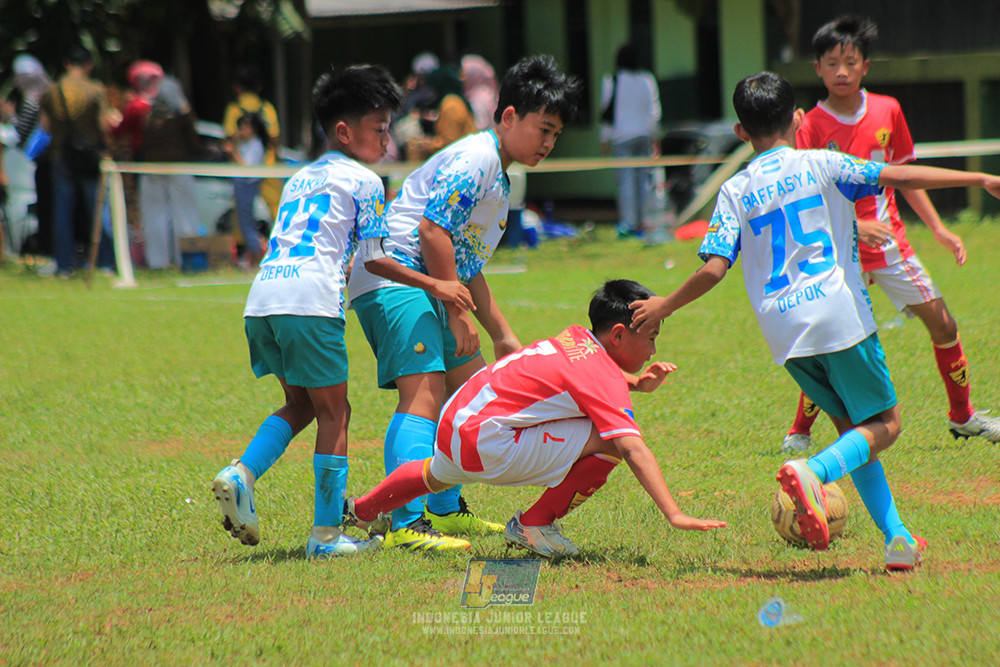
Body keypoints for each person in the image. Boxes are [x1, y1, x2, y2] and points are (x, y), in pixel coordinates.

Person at [630, 71, 1000, 571]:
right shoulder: (822, 162)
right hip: (837, 315)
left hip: (784, 332)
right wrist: (978, 178)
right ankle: (816, 471)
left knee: (855, 430)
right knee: (886, 425)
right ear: (799, 119)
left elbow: (715, 267)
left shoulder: (735, 188)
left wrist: (664, 305)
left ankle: (897, 540)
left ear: (742, 132)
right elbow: (901, 176)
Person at [210, 64, 474, 560]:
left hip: (263, 301)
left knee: (304, 405)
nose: (388, 140)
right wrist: (438, 283)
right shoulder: (365, 180)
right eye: (379, 129)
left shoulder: (298, 178)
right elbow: (374, 259)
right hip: (311, 305)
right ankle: (326, 536)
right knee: (337, 413)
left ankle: (240, 473)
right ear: (344, 132)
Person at [347, 54, 582, 551]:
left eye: (556, 134)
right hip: (397, 279)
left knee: (470, 390)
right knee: (424, 394)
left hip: (431, 281)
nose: (548, 142)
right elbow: (432, 230)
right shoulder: (479, 158)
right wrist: (457, 314)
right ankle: (406, 524)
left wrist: (502, 334)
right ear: (509, 116)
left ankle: (446, 511)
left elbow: (467, 261)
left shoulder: (501, 174)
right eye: (543, 128)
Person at [344, 280, 727, 557]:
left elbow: (578, 376)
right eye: (652, 337)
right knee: (610, 440)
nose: (653, 349)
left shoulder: (576, 337)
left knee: (434, 473)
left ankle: (360, 512)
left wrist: (635, 382)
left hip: (457, 422)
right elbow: (633, 448)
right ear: (619, 335)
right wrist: (674, 513)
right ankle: (534, 524)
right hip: (487, 442)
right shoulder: (603, 376)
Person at [779, 15, 1000, 454]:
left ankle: (963, 417)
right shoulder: (810, 127)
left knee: (943, 323)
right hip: (838, 248)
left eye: (850, 61)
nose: (841, 71)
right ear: (817, 70)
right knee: (829, 339)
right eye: (831, 62)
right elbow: (803, 192)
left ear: (865, 66)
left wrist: (938, 228)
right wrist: (855, 226)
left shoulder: (888, 110)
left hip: (891, 244)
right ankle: (799, 430)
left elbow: (905, 176)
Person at [38, 45, 115, 277]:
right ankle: (105, 263)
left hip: (61, 156)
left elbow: (45, 127)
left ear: (66, 64)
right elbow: (103, 125)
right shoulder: (95, 89)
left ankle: (63, 265)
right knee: (99, 210)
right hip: (90, 158)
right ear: (89, 65)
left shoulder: (51, 90)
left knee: (62, 212)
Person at [599, 43, 662, 238]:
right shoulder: (647, 79)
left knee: (626, 182)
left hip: (622, 137)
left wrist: (604, 139)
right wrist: (655, 138)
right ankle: (645, 221)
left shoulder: (612, 80)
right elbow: (655, 111)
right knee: (643, 180)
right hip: (643, 135)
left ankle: (628, 224)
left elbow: (606, 112)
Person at [139, 76, 201, 269]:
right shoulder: (182, 119)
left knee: (155, 216)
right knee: (185, 215)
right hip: (179, 168)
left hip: (152, 170)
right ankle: (187, 258)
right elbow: (194, 142)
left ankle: (158, 262)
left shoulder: (150, 117)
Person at [223, 64, 281, 264]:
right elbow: (274, 138)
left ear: (237, 88)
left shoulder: (233, 109)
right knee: (276, 210)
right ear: (258, 86)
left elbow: (230, 138)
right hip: (268, 167)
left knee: (243, 214)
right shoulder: (266, 107)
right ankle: (280, 249)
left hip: (243, 171)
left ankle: (246, 254)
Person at [225, 112, 267, 268]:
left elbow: (245, 168)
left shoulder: (255, 145)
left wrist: (233, 151)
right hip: (241, 185)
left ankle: (257, 257)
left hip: (247, 186)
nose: (241, 131)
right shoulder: (245, 144)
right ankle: (253, 257)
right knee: (243, 224)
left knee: (247, 223)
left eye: (245, 127)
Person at [461, 54, 499, 131]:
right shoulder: (486, 93)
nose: (462, 78)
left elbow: (479, 127)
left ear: (474, 75)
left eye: (465, 74)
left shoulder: (479, 99)